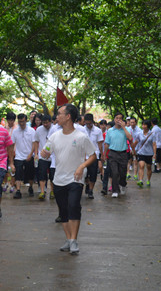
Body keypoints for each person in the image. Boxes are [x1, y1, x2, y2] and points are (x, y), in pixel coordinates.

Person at [40, 104, 96, 255]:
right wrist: (44, 153)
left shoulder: (81, 137)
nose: (56, 117)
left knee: (73, 206)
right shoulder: (54, 136)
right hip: (58, 179)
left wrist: (81, 166)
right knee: (63, 211)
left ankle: (74, 240)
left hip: (75, 179)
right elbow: (45, 153)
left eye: (59, 114)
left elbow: (93, 156)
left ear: (68, 116)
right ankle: (68, 239)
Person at [104, 113, 132, 198]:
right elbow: (107, 143)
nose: (118, 120)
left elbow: (130, 138)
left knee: (122, 173)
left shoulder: (126, 129)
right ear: (114, 119)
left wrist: (123, 127)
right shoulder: (110, 131)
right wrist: (104, 155)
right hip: (113, 153)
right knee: (114, 173)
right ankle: (115, 190)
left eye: (120, 118)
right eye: (116, 118)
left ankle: (123, 185)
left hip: (123, 153)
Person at [11, 113, 36, 198]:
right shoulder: (15, 131)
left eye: (23, 121)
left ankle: (31, 187)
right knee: (18, 173)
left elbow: (34, 143)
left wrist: (31, 154)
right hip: (18, 156)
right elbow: (12, 144)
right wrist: (13, 154)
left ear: (26, 121)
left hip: (29, 155)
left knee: (30, 173)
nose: (21, 123)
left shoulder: (31, 131)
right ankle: (18, 190)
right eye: (20, 121)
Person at [33, 114, 53, 200]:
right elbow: (36, 142)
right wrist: (36, 154)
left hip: (53, 156)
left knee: (52, 175)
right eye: (44, 123)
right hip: (42, 156)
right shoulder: (39, 129)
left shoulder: (55, 129)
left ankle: (52, 191)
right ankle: (42, 191)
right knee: (42, 174)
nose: (45, 124)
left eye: (47, 123)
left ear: (50, 122)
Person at [84, 113, 103, 199]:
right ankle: (87, 184)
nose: (88, 125)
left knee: (93, 174)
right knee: (84, 174)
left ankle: (91, 190)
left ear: (93, 122)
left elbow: (99, 144)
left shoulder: (98, 131)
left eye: (90, 123)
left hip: (94, 155)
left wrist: (101, 155)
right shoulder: (82, 130)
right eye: (86, 123)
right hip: (84, 156)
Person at [132, 120, 157, 187]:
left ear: (148, 126)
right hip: (141, 152)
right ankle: (140, 180)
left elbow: (154, 144)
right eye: (143, 125)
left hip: (149, 153)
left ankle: (148, 180)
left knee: (149, 167)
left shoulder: (152, 134)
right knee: (141, 166)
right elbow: (135, 142)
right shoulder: (139, 134)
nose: (143, 126)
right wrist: (133, 149)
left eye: (145, 125)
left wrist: (154, 154)